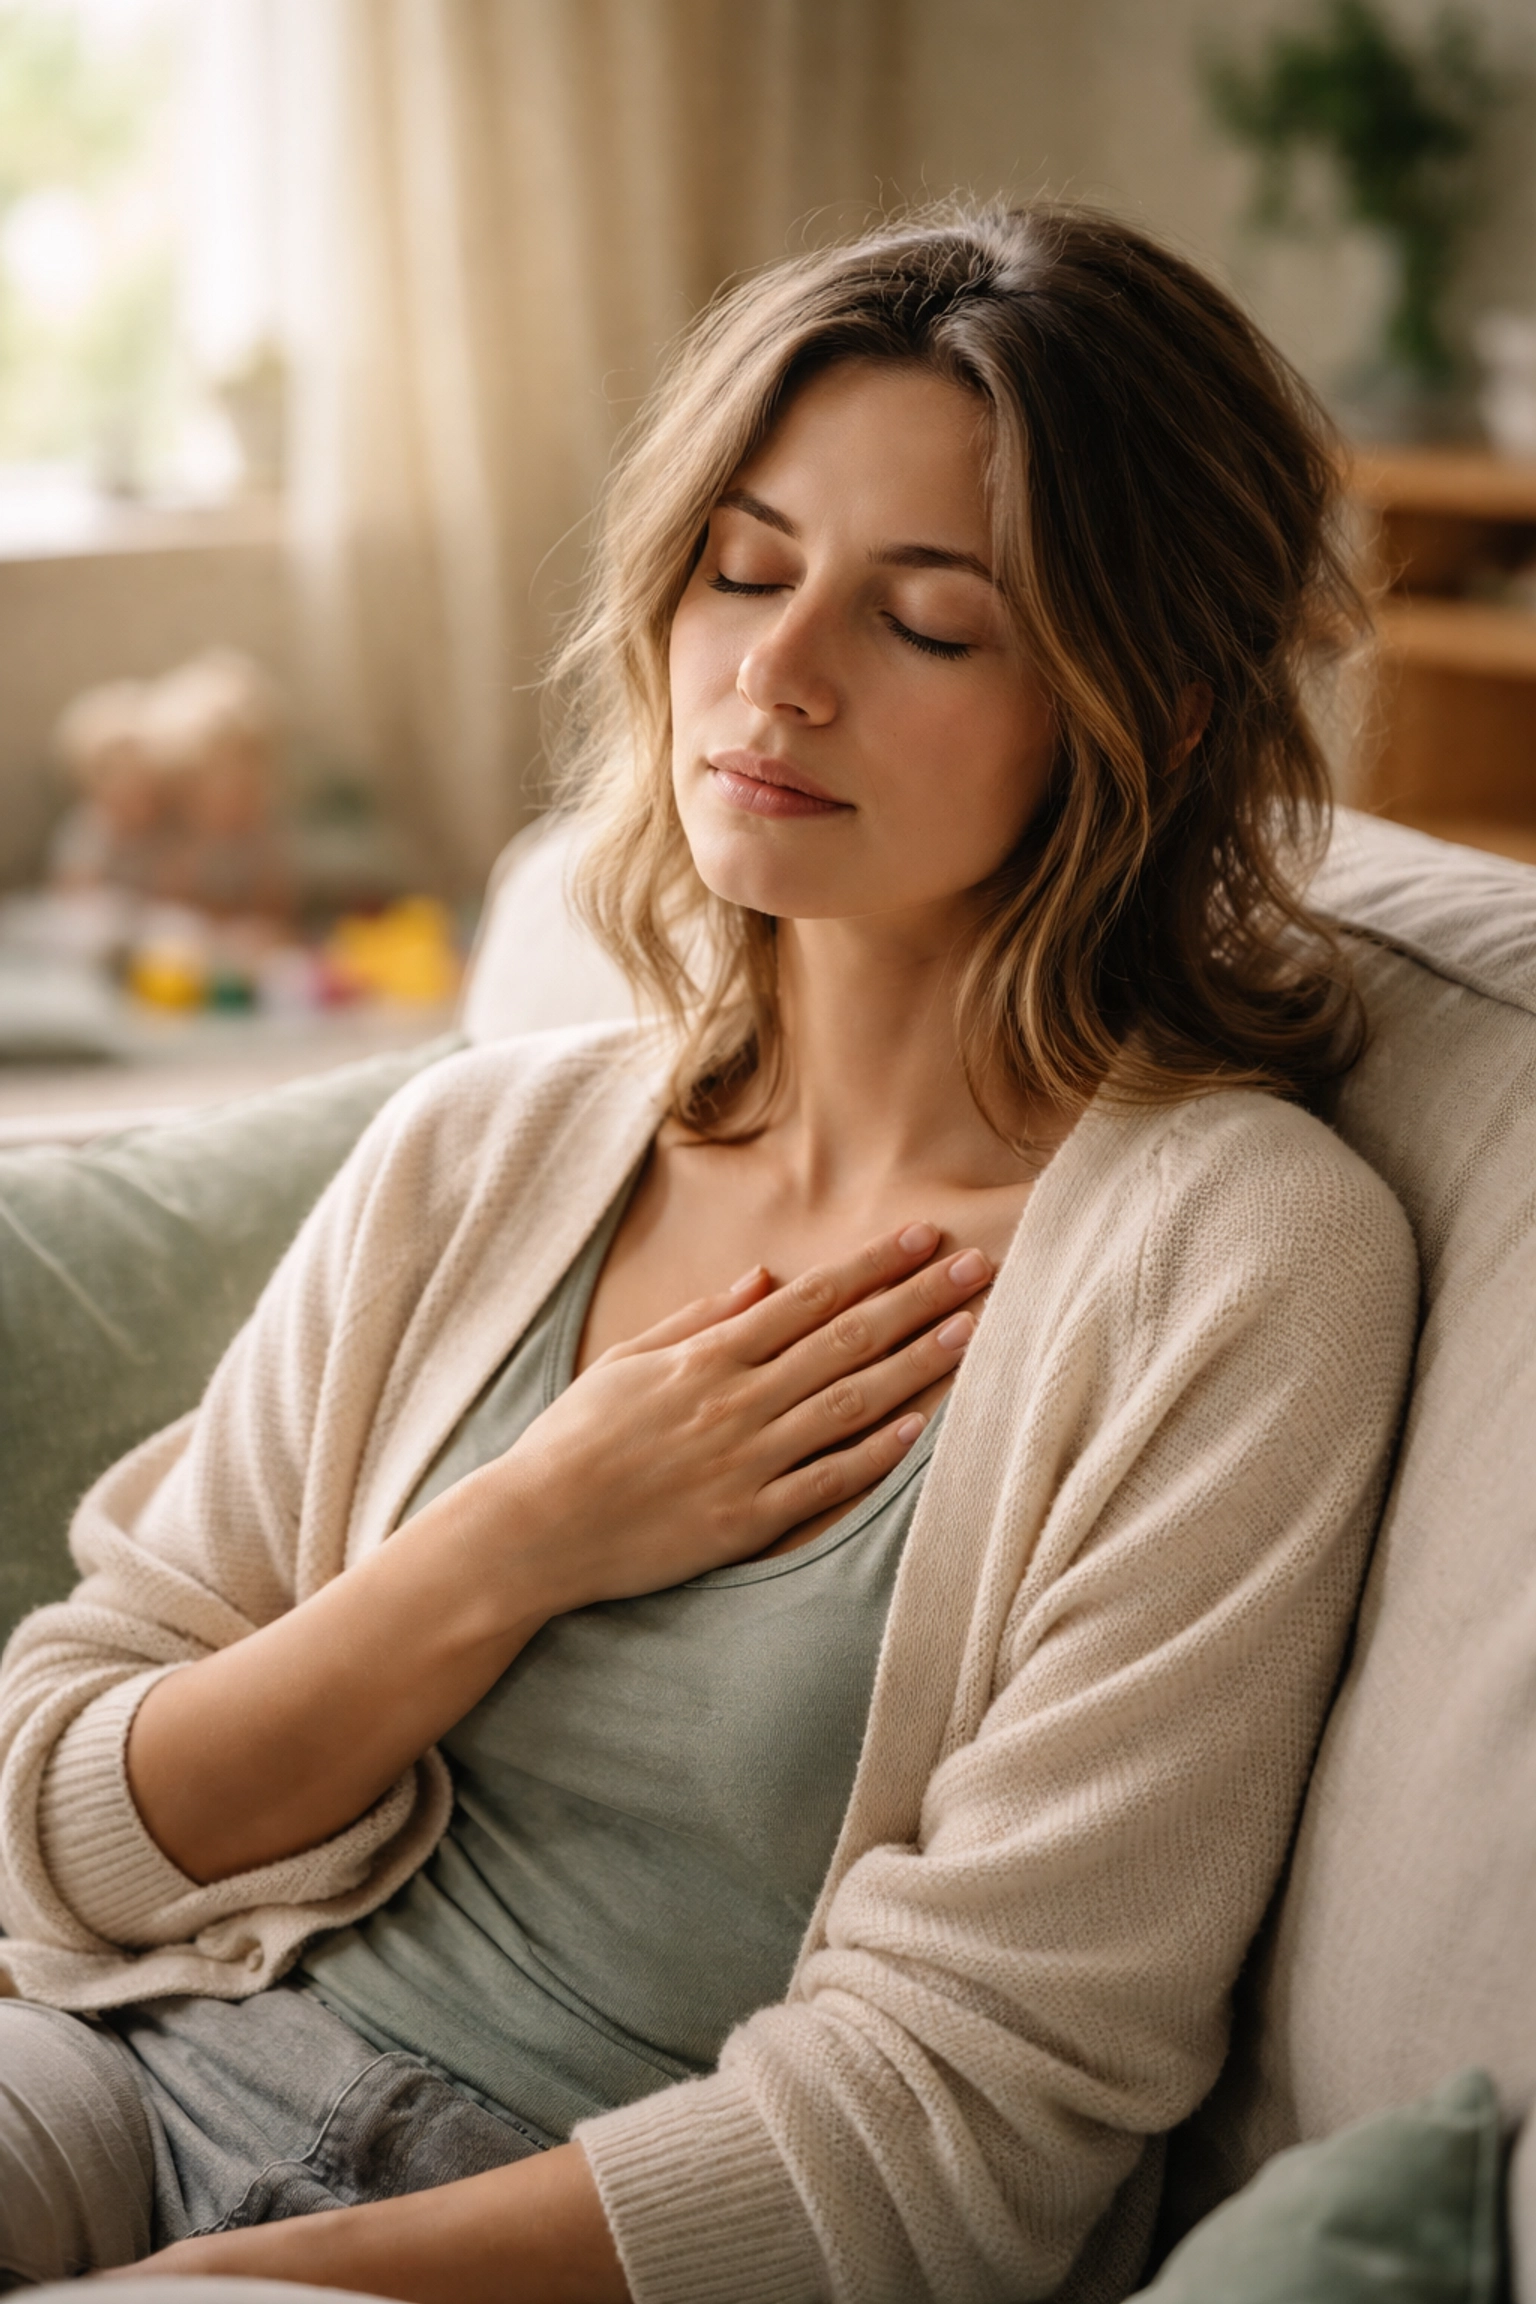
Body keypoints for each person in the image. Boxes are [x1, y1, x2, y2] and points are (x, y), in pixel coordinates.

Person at [0, 202, 1416, 2304]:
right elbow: (69, 1820)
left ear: (1162, 711)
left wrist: (237, 2287)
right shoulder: (485, 1145)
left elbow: (963, 2121)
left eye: (927, 622)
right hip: (120, 2072)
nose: (776, 671)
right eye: (744, 571)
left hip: (577, 2228)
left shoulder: (1239, 1267)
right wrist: (515, 1539)